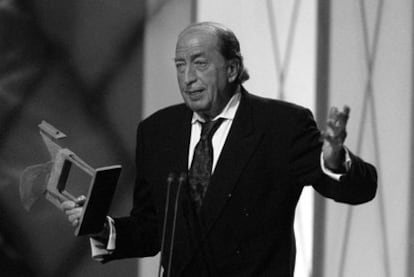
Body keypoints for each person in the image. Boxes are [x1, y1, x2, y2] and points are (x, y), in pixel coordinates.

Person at [62, 22, 377, 276]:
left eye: (200, 64)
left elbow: (361, 189)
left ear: (232, 69)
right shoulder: (157, 131)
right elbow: (154, 229)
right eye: (180, 65)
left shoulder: (281, 125)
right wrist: (104, 228)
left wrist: (334, 159)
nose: (187, 78)